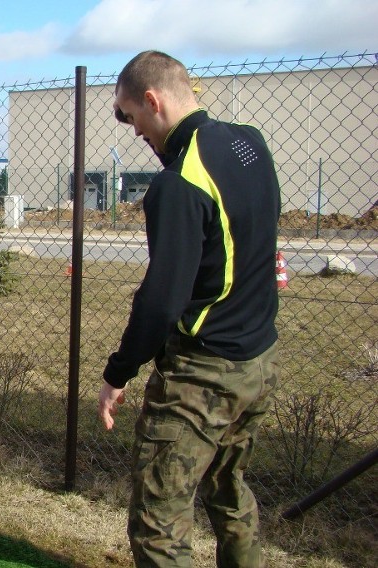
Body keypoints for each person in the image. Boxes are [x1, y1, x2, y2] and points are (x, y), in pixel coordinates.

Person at [98, 51, 281, 567]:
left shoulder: (178, 182)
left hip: (204, 378)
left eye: (130, 117)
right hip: (258, 361)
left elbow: (161, 301)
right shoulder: (249, 142)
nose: (135, 132)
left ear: (153, 102)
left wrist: (118, 372)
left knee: (158, 520)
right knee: (229, 492)